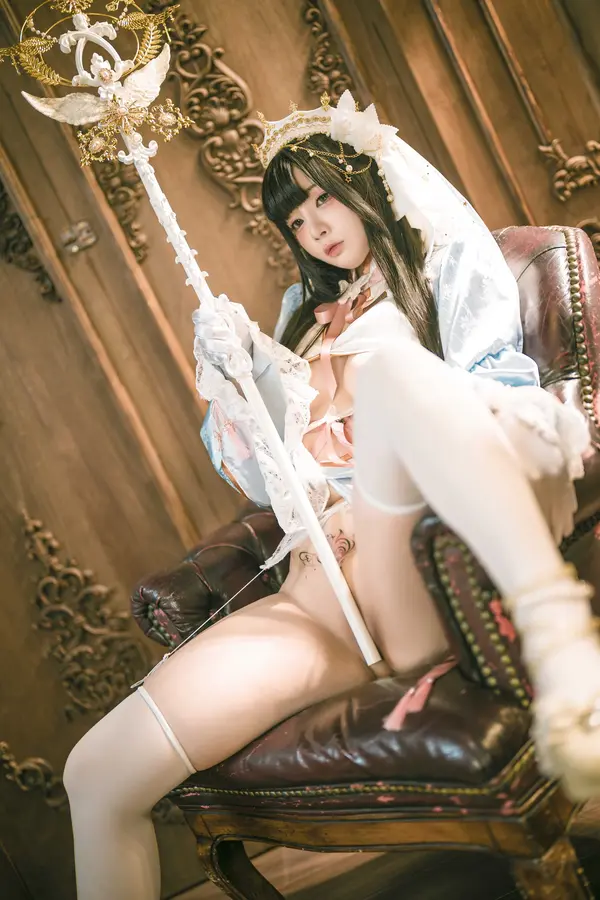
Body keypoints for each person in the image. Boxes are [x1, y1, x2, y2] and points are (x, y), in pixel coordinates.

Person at [62, 91, 599, 900]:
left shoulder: (436, 269)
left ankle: (561, 639)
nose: (314, 226)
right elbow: (262, 482)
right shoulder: (302, 318)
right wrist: (243, 378)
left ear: (368, 183)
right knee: (97, 773)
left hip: (411, 577)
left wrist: (394, 402)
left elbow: (498, 394)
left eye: (323, 197)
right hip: (313, 604)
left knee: (389, 379)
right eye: (295, 217)